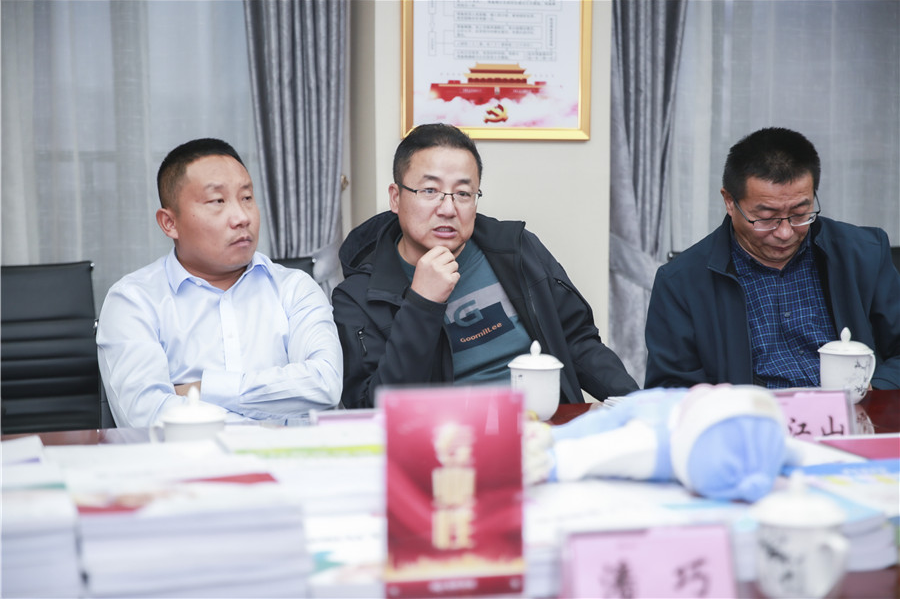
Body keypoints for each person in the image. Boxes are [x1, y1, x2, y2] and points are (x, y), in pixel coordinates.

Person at [332, 123, 638, 409]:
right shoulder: (358, 296)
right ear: (396, 198)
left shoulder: (514, 249)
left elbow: (576, 341)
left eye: (463, 194)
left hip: (544, 428)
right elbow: (373, 408)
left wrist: (639, 405)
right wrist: (421, 304)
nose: (448, 208)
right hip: (446, 440)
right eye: (430, 191)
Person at [97, 138, 342, 427]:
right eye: (218, 201)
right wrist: (271, 425)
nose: (242, 217)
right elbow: (147, 416)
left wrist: (203, 390)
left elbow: (324, 384)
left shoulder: (295, 288)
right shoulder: (133, 301)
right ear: (169, 223)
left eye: (247, 198)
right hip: (190, 459)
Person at [645, 127, 900, 390]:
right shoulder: (682, 282)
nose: (785, 232)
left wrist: (876, 392)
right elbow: (671, 387)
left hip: (856, 411)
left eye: (800, 214)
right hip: (751, 414)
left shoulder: (863, 253)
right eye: (766, 218)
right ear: (729, 202)